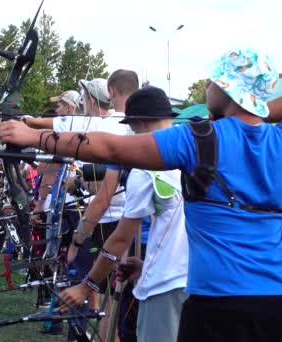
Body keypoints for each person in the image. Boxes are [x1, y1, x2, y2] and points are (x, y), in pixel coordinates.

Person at [0, 48, 282, 342]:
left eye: (213, 81)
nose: (208, 87)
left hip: (217, 306)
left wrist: (32, 135)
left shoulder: (198, 139)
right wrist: (257, 110)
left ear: (227, 89)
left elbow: (109, 147)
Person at [61, 86, 189, 342]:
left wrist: (87, 285)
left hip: (166, 283)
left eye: (132, 126)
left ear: (140, 123)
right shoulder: (197, 152)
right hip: (204, 280)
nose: (131, 133)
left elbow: (120, 239)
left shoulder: (146, 167)